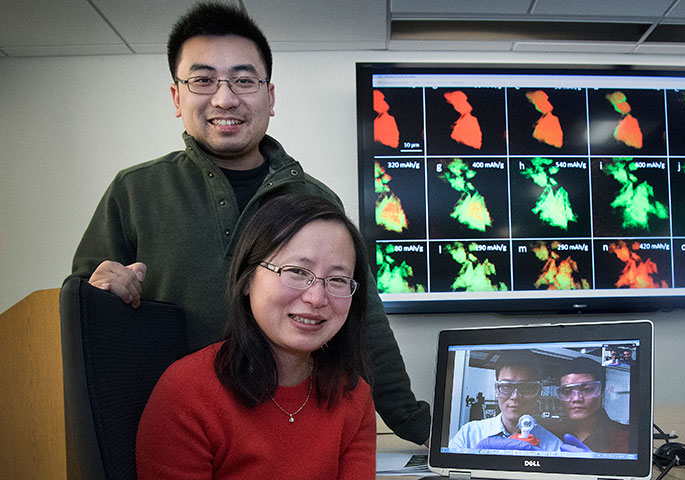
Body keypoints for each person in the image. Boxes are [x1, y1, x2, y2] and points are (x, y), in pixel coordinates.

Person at [66, 2, 429, 444]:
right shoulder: (135, 191)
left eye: (243, 80)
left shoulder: (314, 200)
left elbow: (364, 323)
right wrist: (97, 291)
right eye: (202, 80)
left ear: (269, 97)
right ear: (177, 98)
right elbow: (84, 322)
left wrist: (412, 421)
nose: (224, 98)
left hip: (296, 432)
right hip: (177, 434)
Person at [136, 194, 376, 479]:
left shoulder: (353, 396)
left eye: (337, 279)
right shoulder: (186, 392)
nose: (316, 297)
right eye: (297, 271)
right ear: (248, 278)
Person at [449, 352, 562, 451]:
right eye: (506, 387)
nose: (515, 396)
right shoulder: (469, 435)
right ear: (496, 389)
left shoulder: (554, 446)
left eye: (526, 387)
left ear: (538, 391)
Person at [550, 357, 630, 453]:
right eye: (567, 391)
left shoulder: (626, 438)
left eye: (587, 389)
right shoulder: (551, 435)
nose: (576, 399)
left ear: (602, 391)